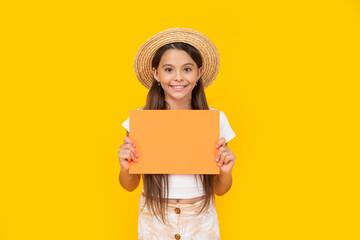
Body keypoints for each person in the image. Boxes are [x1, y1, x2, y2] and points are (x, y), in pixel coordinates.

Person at [118, 28, 236, 240]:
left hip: (201, 216)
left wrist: (225, 171)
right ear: (156, 74)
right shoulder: (142, 119)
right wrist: (125, 167)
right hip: (154, 216)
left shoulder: (215, 119)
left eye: (187, 69)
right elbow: (129, 185)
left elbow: (220, 189)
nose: (178, 78)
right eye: (169, 70)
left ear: (199, 73)